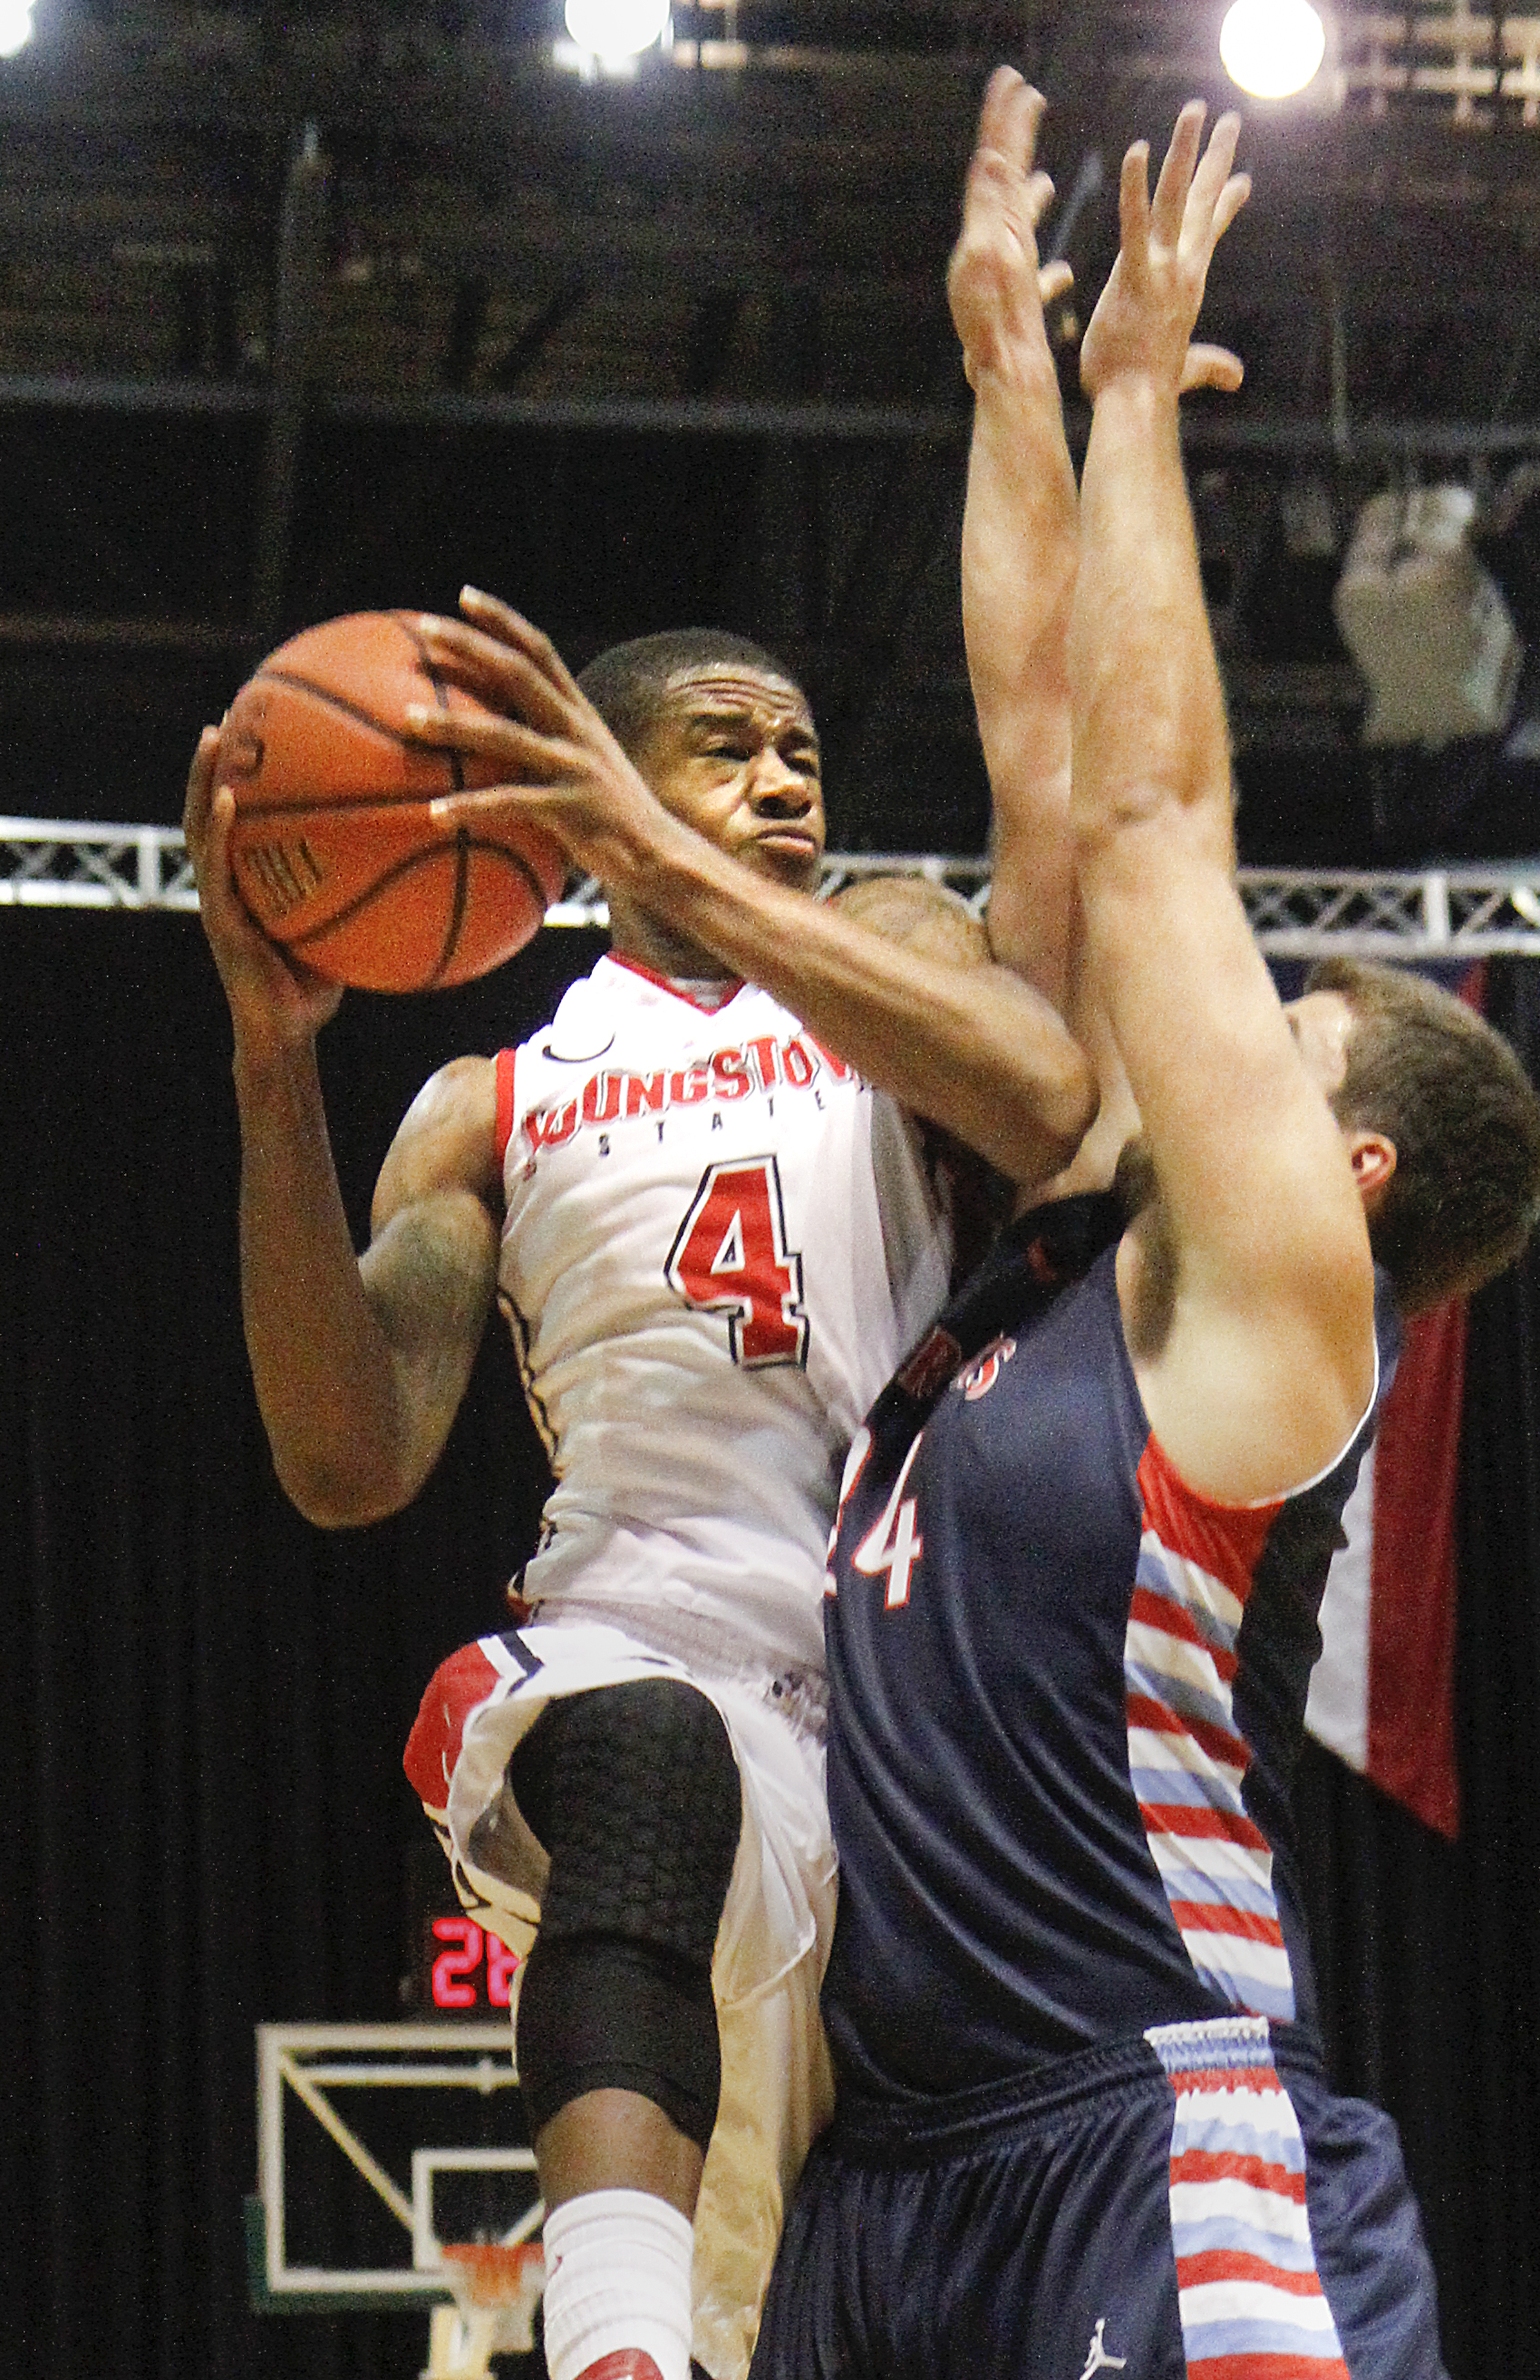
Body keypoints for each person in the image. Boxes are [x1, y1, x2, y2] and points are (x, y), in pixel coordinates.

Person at [746, 94, 1540, 2380]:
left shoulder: (1274, 1307)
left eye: (1277, 1040)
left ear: (1347, 1169)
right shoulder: (1078, 1249)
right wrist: (1008, 372)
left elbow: (1147, 814)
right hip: (897, 2184)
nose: (1211, 1040)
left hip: (1148, 2140)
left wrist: (1133, 398)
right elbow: (1043, 759)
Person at [183, 607, 1095, 2380]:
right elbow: (346, 1458)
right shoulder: (491, 1103)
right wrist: (270, 1062)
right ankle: (603, 2347)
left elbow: (1042, 1100)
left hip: (909, 1726)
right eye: (726, 746)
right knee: (641, 1744)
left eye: (799, 750)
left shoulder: (885, 953)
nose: (782, 777)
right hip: (648, 1637)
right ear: (589, 784)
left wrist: (689, 870)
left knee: (819, 2314)